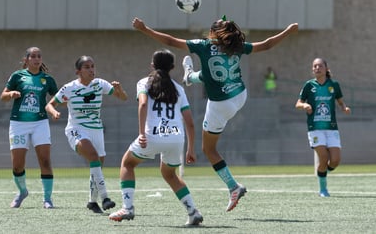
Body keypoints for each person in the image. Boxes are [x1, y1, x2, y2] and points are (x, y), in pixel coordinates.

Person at [132, 16, 298, 211]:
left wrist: (145, 29)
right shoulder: (238, 46)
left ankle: (233, 187)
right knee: (210, 73)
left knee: (209, 150)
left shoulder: (204, 45)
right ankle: (190, 77)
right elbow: (267, 44)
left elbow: (170, 41)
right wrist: (287, 31)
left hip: (220, 104)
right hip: (240, 95)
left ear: (213, 32)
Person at [108, 49, 203, 226]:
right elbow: (189, 122)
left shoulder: (144, 82)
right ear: (173, 67)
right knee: (169, 174)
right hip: (176, 139)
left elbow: (143, 104)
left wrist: (142, 134)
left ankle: (127, 208)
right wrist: (191, 149)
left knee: (128, 163)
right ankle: (193, 211)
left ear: (152, 65)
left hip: (153, 136)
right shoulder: (179, 89)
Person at [45, 55, 128, 213]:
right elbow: (49, 105)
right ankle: (105, 198)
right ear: (78, 71)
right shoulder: (70, 88)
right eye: (87, 67)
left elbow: (123, 98)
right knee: (93, 157)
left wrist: (120, 90)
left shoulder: (100, 84)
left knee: (96, 166)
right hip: (76, 129)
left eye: (92, 66)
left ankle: (92, 202)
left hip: (96, 129)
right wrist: (54, 112)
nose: (91, 70)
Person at [0, 47, 58, 209]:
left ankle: (47, 199)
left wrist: (55, 108)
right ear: (26, 59)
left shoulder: (47, 79)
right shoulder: (17, 76)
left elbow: (57, 97)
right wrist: (10, 94)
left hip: (40, 123)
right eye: (33, 56)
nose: (36, 59)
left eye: (39, 56)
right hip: (18, 124)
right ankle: (22, 191)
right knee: (17, 165)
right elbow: (2, 96)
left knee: (45, 161)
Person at [295, 58, 350, 197]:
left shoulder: (333, 85)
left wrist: (345, 108)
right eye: (315, 66)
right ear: (312, 69)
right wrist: (304, 105)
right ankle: (323, 189)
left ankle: (323, 171)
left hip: (331, 128)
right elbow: (298, 103)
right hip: (315, 128)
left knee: (335, 161)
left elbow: (340, 102)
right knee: (323, 158)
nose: (317, 68)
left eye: (320, 66)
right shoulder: (309, 85)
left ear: (326, 68)